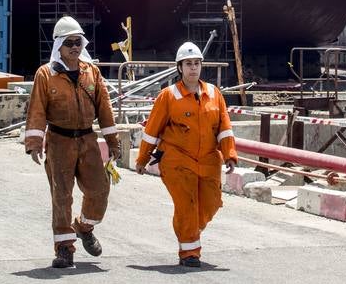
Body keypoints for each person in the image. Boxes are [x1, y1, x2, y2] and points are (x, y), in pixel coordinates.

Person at [24, 15, 120, 269]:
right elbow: (37, 110)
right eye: (69, 43)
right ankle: (65, 249)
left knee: (100, 190)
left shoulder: (92, 73)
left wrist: (113, 140)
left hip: (88, 140)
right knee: (62, 197)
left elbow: (105, 108)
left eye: (78, 42)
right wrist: (34, 143)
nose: (75, 47)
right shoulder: (45, 75)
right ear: (58, 46)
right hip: (59, 142)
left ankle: (84, 227)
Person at [135, 41, 237, 267]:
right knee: (187, 204)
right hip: (176, 160)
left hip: (209, 160)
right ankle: (190, 253)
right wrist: (142, 159)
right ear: (179, 68)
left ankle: (188, 229)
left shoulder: (214, 93)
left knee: (211, 203)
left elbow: (224, 127)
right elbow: (151, 131)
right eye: (188, 64)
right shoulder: (168, 96)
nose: (193, 68)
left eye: (197, 63)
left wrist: (229, 154)